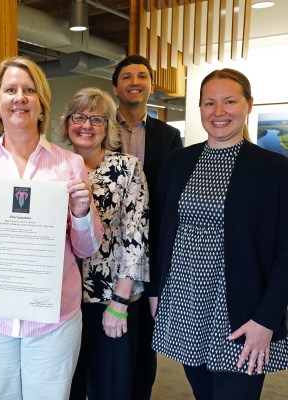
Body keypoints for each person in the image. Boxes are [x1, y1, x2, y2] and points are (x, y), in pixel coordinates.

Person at [0, 56, 104, 399]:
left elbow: (86, 249)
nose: (20, 98)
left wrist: (82, 212)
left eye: (29, 90)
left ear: (42, 103)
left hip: (53, 318)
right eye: (11, 89)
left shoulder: (70, 164)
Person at [151, 68, 288, 400]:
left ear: (248, 105)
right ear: (199, 108)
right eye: (209, 103)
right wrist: (156, 291)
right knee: (202, 392)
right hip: (185, 302)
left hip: (243, 311)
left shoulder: (275, 169)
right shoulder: (177, 161)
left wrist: (267, 319)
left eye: (230, 101)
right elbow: (161, 231)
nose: (219, 111)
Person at [63, 88, 149, 400]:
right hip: (63, 302)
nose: (86, 125)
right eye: (79, 117)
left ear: (108, 126)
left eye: (96, 119)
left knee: (110, 389)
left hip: (111, 299)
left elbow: (135, 237)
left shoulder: (127, 168)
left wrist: (120, 303)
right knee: (67, 387)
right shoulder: (55, 166)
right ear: (68, 122)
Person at [111, 54, 182, 400]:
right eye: (127, 76)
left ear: (151, 86)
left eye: (142, 76)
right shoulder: (99, 126)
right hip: (109, 246)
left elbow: (175, 192)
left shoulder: (169, 136)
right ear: (116, 86)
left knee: (145, 334)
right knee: (110, 327)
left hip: (152, 245)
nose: (135, 81)